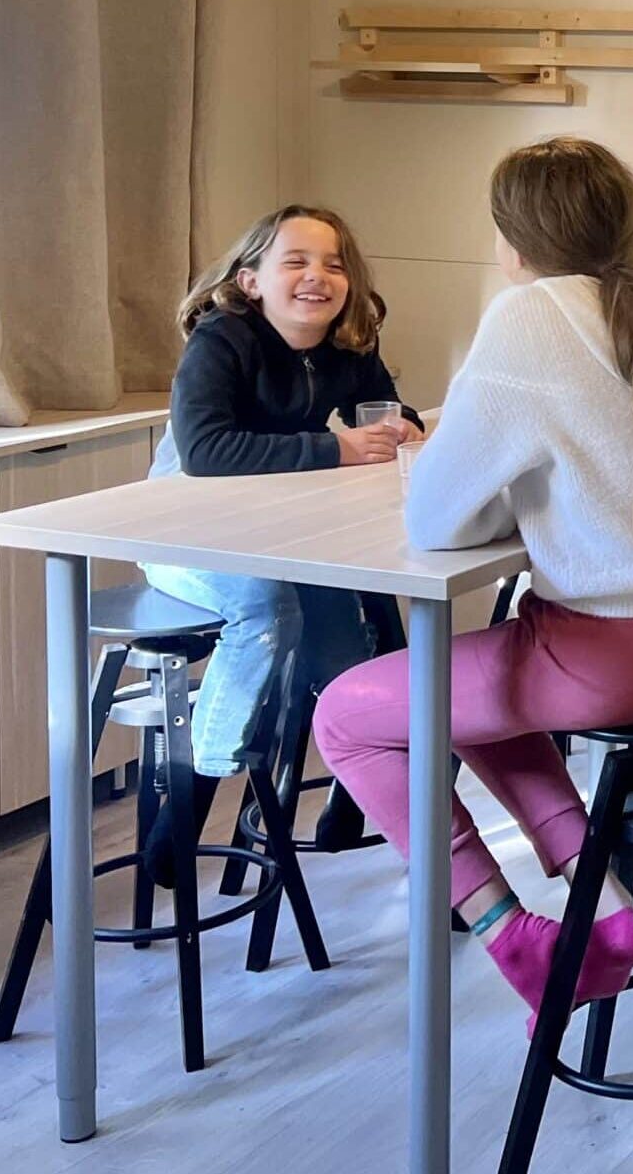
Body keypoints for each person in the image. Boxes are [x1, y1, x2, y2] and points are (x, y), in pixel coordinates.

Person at [314, 137, 633, 1027]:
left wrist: (498, 493)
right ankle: (607, 909)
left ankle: (506, 928)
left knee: (345, 717)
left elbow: (436, 519)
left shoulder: (531, 317)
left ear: (515, 240)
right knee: (462, 688)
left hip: (617, 657)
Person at [140, 205, 419, 884]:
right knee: (266, 609)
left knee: (351, 660)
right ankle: (186, 810)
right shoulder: (222, 339)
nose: (317, 276)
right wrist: (335, 448)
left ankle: (366, 799)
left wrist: (403, 426)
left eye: (333, 264)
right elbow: (206, 452)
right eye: (295, 261)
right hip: (180, 534)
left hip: (281, 537)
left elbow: (387, 407)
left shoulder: (348, 343)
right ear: (251, 280)